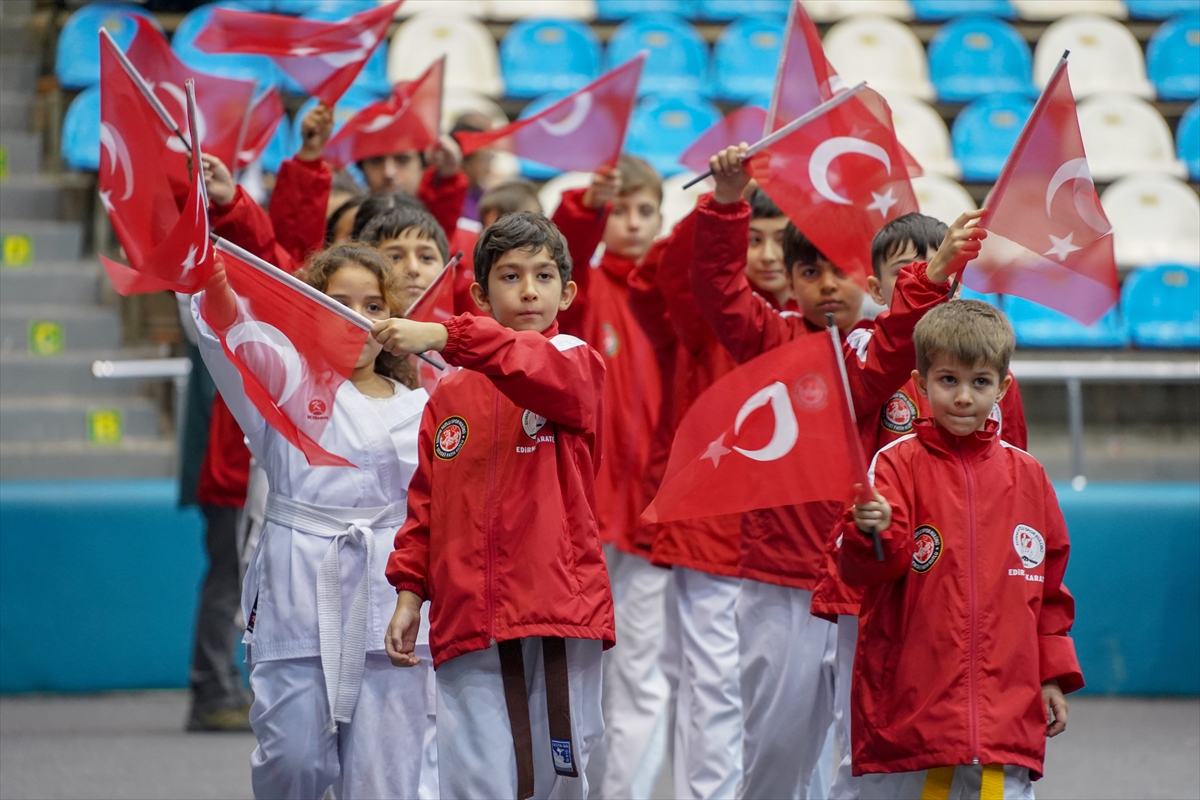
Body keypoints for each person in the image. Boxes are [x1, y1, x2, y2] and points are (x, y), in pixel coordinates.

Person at [693, 145, 975, 800]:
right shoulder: (772, 344)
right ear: (787, 282)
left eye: (837, 271)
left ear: (870, 283)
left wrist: (930, 277)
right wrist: (728, 201)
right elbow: (717, 289)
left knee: (860, 760)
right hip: (779, 582)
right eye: (807, 271)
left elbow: (898, 347)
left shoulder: (882, 356)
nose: (824, 285)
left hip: (863, 589)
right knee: (774, 758)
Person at [379, 212, 613, 800]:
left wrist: (443, 336)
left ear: (568, 290)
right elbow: (426, 505)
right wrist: (410, 593)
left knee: (556, 782)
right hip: (466, 616)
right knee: (473, 782)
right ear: (481, 293)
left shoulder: (573, 361)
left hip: (552, 607)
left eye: (543, 275)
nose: (529, 290)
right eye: (510, 277)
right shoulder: (451, 393)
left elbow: (533, 368)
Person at [192, 245, 431, 799]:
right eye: (337, 302)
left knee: (385, 779)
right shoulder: (281, 391)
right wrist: (217, 289)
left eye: (373, 306)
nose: (356, 317)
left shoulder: (423, 405)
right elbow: (227, 340)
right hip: (301, 587)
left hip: (391, 596)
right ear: (307, 309)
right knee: (291, 759)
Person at [810, 212, 1031, 799]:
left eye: (946, 271)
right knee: (866, 748)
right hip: (874, 587)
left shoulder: (985, 373)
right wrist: (930, 277)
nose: (964, 394)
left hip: (958, 591)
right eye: (912, 272)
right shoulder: (865, 353)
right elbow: (885, 358)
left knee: (964, 739)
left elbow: (1015, 496)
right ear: (881, 287)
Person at [841, 300, 1083, 799]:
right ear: (921, 380)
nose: (963, 397)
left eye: (980, 382)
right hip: (914, 712)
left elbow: (1050, 593)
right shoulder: (895, 463)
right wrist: (873, 531)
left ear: (1003, 388)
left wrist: (1051, 676)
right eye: (948, 380)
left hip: (1005, 719)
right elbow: (863, 572)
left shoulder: (1029, 477)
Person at [626, 186, 789, 799]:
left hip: (798, 544)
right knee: (714, 688)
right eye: (755, 239)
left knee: (793, 694)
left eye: (781, 237)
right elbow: (665, 273)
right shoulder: (708, 313)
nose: (769, 254)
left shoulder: (816, 320)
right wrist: (718, 210)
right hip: (714, 532)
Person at [551, 156, 672, 798]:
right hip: (587, 516)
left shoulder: (671, 302)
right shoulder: (587, 291)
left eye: (643, 210)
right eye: (620, 209)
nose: (631, 222)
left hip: (652, 517)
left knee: (642, 675)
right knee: (580, 672)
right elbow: (564, 252)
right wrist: (585, 208)